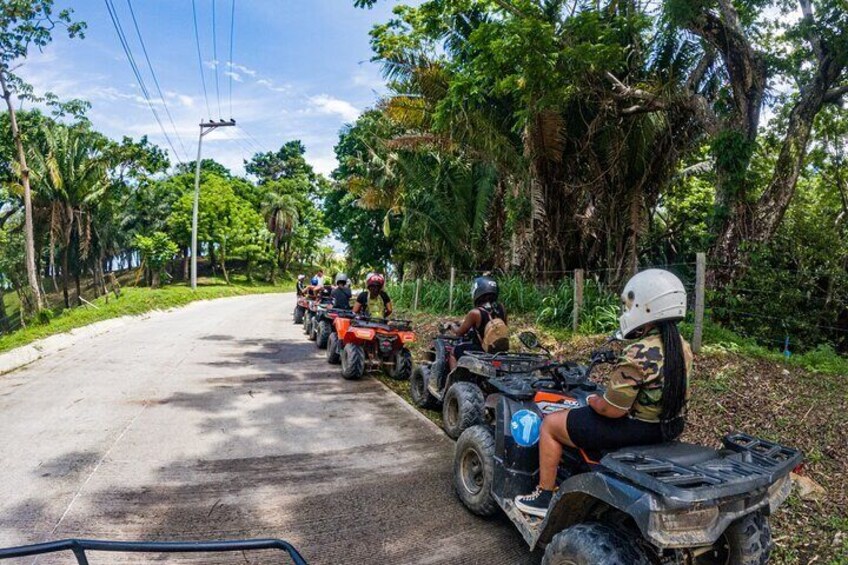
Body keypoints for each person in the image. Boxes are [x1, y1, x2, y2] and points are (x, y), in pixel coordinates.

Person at [514, 269, 693, 518]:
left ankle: (544, 495)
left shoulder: (638, 352)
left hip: (637, 429)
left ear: (647, 307)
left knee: (551, 425)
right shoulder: (681, 347)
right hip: (669, 426)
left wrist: (594, 401)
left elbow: (613, 409)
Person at [448, 275, 509, 370]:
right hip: (499, 350)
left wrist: (452, 325)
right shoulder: (501, 308)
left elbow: (459, 332)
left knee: (453, 352)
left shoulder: (475, 313)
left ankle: (453, 381)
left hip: (481, 349)